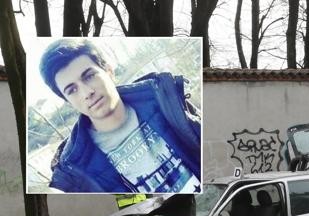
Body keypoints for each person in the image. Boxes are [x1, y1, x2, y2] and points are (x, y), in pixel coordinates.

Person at [40, 39, 201, 193]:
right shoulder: (76, 168)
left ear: (109, 72)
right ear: (68, 101)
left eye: (89, 76)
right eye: (72, 90)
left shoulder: (166, 100)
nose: (87, 92)